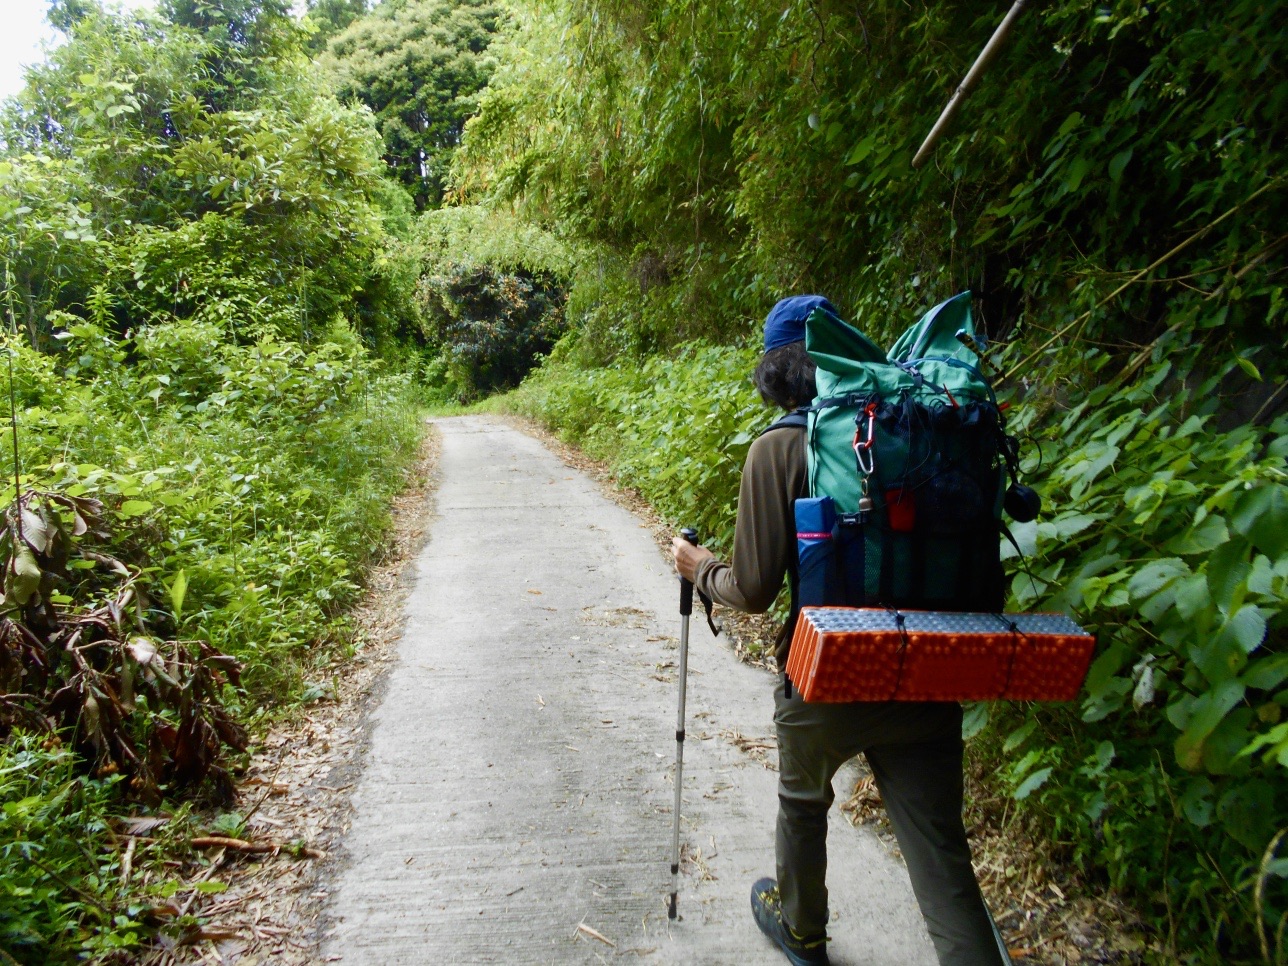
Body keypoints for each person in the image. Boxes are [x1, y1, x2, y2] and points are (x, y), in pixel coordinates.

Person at [670, 296, 1010, 966]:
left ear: (773, 369)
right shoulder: (906, 429)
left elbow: (754, 589)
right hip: (927, 666)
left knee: (803, 804)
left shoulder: (778, 448)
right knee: (941, 855)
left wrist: (699, 567)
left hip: (827, 673)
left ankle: (801, 930)